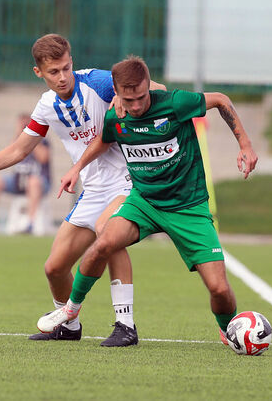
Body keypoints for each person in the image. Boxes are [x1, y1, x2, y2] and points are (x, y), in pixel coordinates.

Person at [0, 34, 164, 347]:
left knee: (109, 236)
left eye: (66, 68)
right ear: (38, 72)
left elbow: (158, 90)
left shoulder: (97, 82)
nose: (62, 77)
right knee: (55, 267)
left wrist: (121, 98)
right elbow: (18, 150)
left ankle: (125, 324)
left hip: (126, 181)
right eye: (54, 72)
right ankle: (69, 325)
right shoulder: (46, 106)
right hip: (93, 189)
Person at [36, 56, 258, 349]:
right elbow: (104, 140)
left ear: (147, 86)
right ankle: (72, 309)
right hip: (144, 202)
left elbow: (220, 99)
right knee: (104, 242)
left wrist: (245, 145)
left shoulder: (174, 103)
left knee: (218, 287)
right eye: (129, 99)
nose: (137, 105)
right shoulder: (116, 115)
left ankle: (227, 328)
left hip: (187, 207)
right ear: (117, 92)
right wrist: (76, 168)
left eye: (141, 97)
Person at [0, 113, 52, 233]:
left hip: (39, 183)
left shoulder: (42, 141)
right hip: (18, 180)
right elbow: (9, 154)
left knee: (33, 182)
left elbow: (43, 158)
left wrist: (32, 139)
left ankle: (30, 223)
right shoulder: (17, 140)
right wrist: (20, 136)